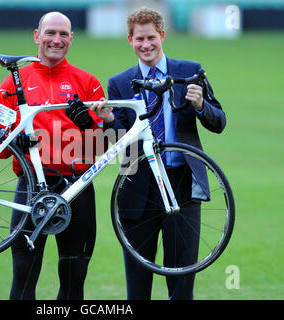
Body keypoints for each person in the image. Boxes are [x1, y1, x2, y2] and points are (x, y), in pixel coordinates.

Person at [0, 12, 113, 300]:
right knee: (23, 279)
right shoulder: (12, 85)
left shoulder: (88, 82)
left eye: (64, 34)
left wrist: (90, 125)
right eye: (50, 33)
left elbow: (104, 149)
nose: (57, 40)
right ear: (36, 36)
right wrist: (12, 140)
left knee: (73, 283)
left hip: (77, 188)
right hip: (31, 188)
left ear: (71, 39)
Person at [107, 7, 226, 300]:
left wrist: (201, 106)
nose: (145, 45)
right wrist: (110, 121)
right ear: (129, 40)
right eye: (139, 39)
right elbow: (118, 141)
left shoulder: (189, 71)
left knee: (182, 283)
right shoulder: (119, 83)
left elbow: (219, 121)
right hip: (138, 188)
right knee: (137, 287)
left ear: (162, 35)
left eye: (151, 38)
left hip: (182, 186)